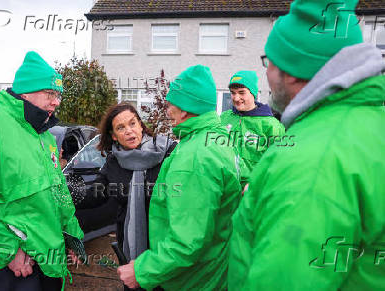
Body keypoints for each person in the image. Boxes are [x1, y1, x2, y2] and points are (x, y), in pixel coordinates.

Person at [229, 0, 385, 289]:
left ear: (292, 70)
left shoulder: (312, 164)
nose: (267, 73)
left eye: (269, 62)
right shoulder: (372, 121)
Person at [0, 51, 84, 291]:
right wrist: (9, 251)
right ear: (25, 92)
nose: (56, 102)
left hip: (49, 263)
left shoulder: (43, 136)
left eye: (58, 95)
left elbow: (58, 192)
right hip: (6, 267)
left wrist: (72, 236)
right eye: (50, 93)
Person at [117, 65, 242, 290]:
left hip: (193, 280)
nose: (167, 110)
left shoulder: (195, 157)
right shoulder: (216, 140)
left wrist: (142, 270)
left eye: (170, 104)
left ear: (184, 109)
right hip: (213, 271)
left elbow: (188, 242)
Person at [78, 103, 175, 289]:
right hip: (129, 244)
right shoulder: (114, 162)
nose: (129, 131)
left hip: (163, 245)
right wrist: (66, 195)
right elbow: (95, 195)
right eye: (121, 128)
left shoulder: (168, 153)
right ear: (114, 136)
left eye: (132, 123)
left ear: (141, 124)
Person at [220, 70, 285, 187]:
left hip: (251, 193)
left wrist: (257, 185)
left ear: (253, 94)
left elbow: (278, 164)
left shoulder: (271, 125)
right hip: (223, 190)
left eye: (241, 92)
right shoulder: (224, 118)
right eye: (233, 93)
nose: (236, 98)